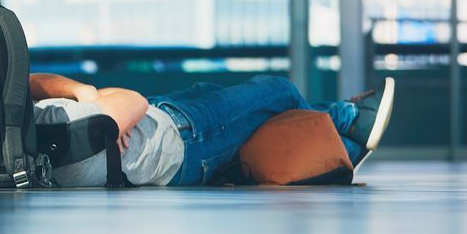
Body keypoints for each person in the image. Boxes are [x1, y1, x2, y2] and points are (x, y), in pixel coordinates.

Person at [30, 72, 396, 187]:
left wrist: (93, 101)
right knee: (278, 91)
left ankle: (345, 150)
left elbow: (29, 80)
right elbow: (133, 100)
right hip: (186, 137)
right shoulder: (58, 128)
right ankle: (348, 118)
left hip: (167, 119)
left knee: (214, 93)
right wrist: (88, 93)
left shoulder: (25, 145)